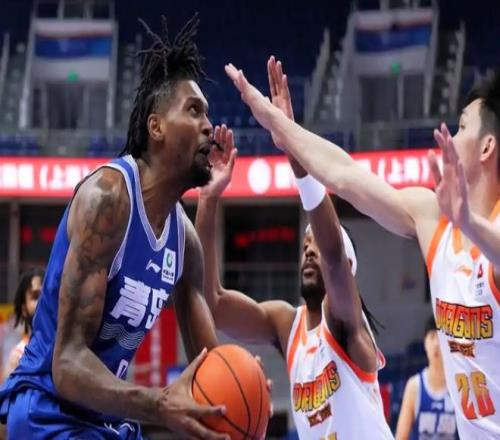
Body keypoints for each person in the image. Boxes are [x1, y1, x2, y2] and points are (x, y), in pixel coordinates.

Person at [226, 58, 500, 438]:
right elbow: (346, 175)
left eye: (463, 128)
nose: (450, 138)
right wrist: (284, 129)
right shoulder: (431, 216)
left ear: (487, 147)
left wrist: (469, 223)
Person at [0, 16, 232, 440]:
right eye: (193, 110)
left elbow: (210, 365)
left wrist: (238, 395)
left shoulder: (186, 242)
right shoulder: (107, 199)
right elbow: (68, 364)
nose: (207, 125)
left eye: (208, 113)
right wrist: (157, 404)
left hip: (105, 418)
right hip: (47, 410)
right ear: (156, 127)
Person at [195, 58, 393, 439]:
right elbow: (213, 303)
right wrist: (208, 199)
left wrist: (292, 145)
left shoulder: (349, 325)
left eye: (315, 241)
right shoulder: (287, 326)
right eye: (304, 244)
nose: (309, 250)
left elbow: (333, 257)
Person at [396, 317, 458, 439]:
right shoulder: (414, 386)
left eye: (441, 337)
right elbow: (401, 437)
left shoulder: (458, 385)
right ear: (425, 343)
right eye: (432, 337)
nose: (436, 344)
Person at [2, 268, 44, 380]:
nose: (42, 302)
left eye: (46, 296)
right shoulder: (17, 358)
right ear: (24, 309)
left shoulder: (63, 350)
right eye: (35, 297)